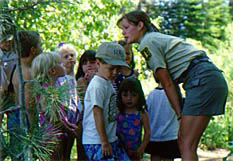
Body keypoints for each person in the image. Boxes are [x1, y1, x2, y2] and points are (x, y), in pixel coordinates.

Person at [117, 10, 228, 161]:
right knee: (187, 143)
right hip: (210, 78)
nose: (123, 32)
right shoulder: (155, 38)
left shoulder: (147, 43)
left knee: (185, 143)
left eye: (126, 27)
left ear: (140, 25)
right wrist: (180, 112)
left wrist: (179, 114)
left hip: (201, 79)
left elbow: (167, 83)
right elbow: (172, 82)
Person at [82, 42, 130, 161]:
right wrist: (104, 141)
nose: (115, 72)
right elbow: (97, 113)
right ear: (98, 63)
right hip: (97, 141)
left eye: (118, 69)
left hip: (110, 138)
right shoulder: (97, 85)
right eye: (111, 68)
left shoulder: (107, 82)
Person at [32, 52, 66, 160]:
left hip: (54, 133)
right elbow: (53, 117)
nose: (63, 65)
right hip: (51, 136)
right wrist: (67, 126)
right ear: (52, 71)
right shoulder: (47, 92)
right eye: (60, 63)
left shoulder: (54, 88)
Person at [145, 75, 180, 161]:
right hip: (171, 136)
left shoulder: (152, 95)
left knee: (155, 157)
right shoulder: (175, 95)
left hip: (154, 135)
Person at [12, 30, 43, 129]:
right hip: (24, 120)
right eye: (40, 46)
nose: (42, 49)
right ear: (33, 50)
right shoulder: (27, 73)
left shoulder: (18, 67)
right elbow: (29, 105)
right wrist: (33, 129)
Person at [116, 77, 150, 160]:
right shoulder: (118, 112)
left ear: (139, 95)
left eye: (133, 95)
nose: (129, 98)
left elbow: (147, 132)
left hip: (135, 152)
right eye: (125, 95)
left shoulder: (142, 113)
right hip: (119, 150)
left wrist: (142, 147)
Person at [75, 49, 97, 161]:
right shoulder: (80, 81)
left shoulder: (103, 79)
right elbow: (84, 103)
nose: (88, 65)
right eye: (85, 63)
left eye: (92, 62)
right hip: (83, 121)